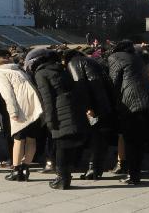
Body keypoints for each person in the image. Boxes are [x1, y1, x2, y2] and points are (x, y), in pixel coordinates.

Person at [31, 49, 89, 190]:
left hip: (60, 111)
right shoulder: (61, 69)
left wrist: (50, 120)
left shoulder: (41, 73)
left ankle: (62, 179)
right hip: (72, 108)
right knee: (67, 146)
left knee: (61, 146)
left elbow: (47, 99)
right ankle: (65, 177)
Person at [0, 56, 44, 181]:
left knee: (19, 140)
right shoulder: (18, 70)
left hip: (21, 107)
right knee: (31, 139)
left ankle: (16, 170)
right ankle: (26, 168)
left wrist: (12, 111)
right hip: (35, 105)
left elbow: (7, 94)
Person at [108, 41, 149, 185]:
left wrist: (112, 102)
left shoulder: (115, 57)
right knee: (138, 141)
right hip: (146, 100)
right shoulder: (137, 58)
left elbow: (114, 81)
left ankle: (132, 175)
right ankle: (135, 173)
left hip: (130, 103)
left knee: (130, 141)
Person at [66, 48, 115, 180]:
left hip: (94, 105)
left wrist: (88, 107)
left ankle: (92, 169)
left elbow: (81, 86)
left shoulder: (74, 63)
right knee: (99, 138)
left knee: (94, 138)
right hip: (104, 103)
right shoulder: (91, 62)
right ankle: (96, 169)